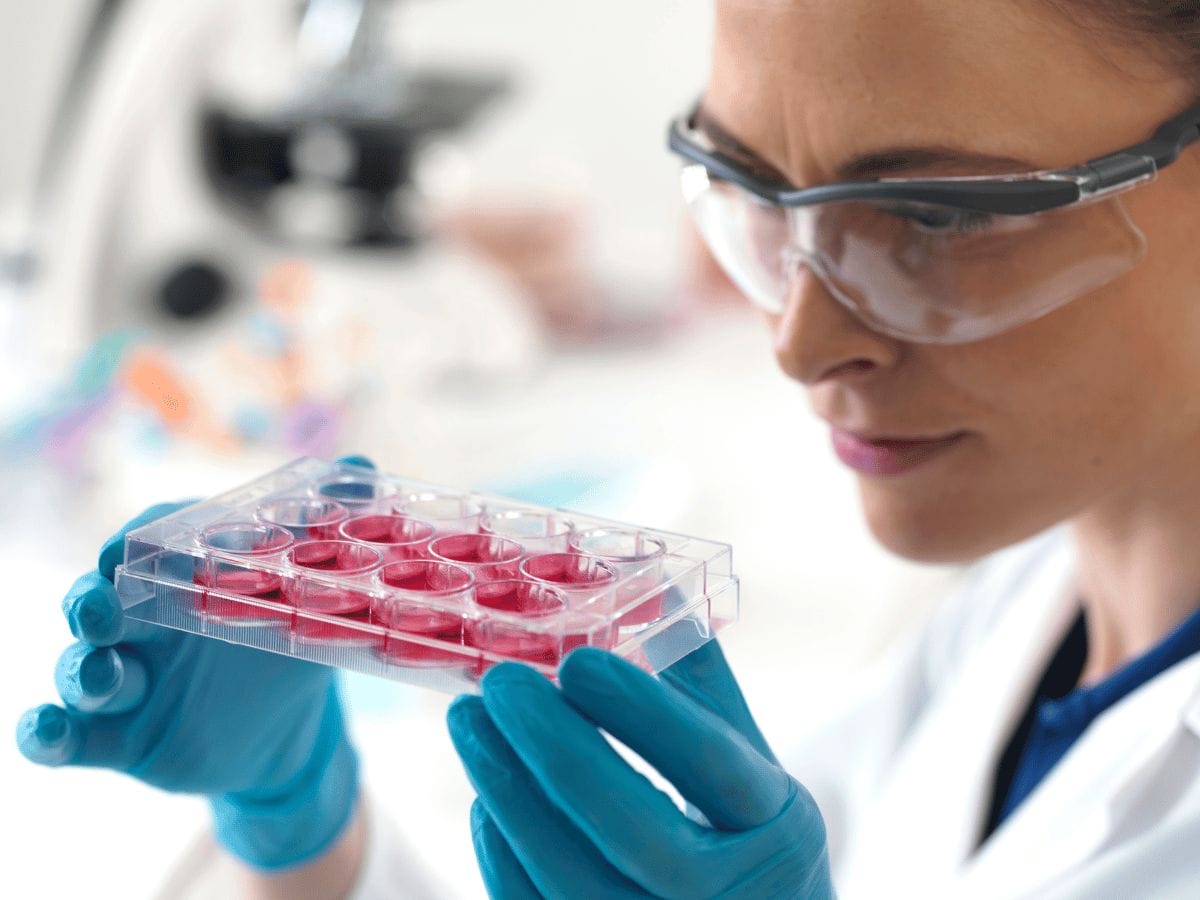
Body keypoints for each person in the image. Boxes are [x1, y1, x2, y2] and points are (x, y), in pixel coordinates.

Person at [18, 0, 1200, 896]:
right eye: (750, 189)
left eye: (937, 219)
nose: (797, 343)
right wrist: (308, 834)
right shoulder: (1032, 601)